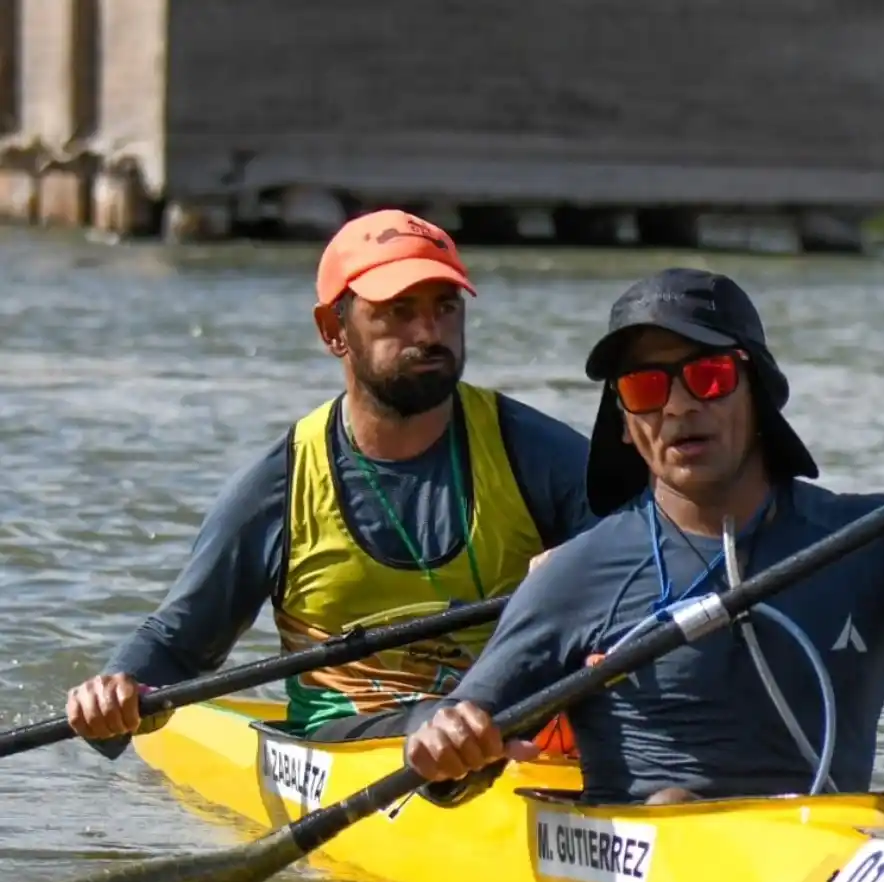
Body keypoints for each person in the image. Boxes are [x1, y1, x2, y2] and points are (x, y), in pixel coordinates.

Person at [402, 268, 884, 805]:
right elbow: (455, 733)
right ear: (622, 422)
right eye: (645, 389)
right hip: (658, 866)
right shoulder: (575, 574)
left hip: (829, 858)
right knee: (674, 803)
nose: (678, 406)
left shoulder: (871, 540)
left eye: (708, 377)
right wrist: (442, 743)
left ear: (757, 392)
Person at [65, 209, 596, 752]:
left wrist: (586, 574)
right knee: (448, 720)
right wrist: (117, 690)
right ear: (332, 330)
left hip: (515, 723)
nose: (429, 332)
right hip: (350, 739)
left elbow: (652, 577)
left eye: (445, 307)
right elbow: (179, 645)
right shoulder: (278, 487)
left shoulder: (540, 454)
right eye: (397, 311)